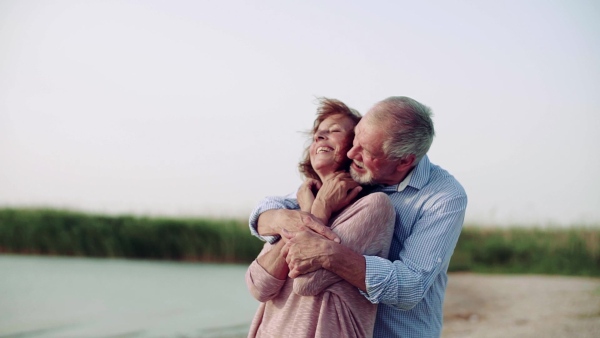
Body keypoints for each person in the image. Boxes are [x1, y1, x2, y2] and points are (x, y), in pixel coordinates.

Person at [250, 96, 468, 338]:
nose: (352, 153)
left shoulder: (444, 197)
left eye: (366, 150)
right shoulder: (352, 175)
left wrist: (329, 254)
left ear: (404, 161)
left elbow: (409, 287)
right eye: (355, 140)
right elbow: (269, 208)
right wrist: (286, 215)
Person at [245, 98, 396, 338]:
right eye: (317, 134)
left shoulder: (373, 207)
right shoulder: (294, 209)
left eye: (334, 131)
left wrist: (319, 207)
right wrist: (311, 208)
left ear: (357, 146)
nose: (320, 137)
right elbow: (259, 286)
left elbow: (306, 283)